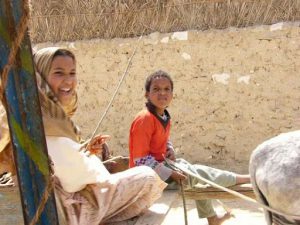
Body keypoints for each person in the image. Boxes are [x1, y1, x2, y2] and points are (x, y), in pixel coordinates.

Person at [1, 47, 167, 225]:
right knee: (146, 177)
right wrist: (93, 163)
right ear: (40, 77)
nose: (68, 81)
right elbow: (77, 180)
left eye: (72, 73)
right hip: (74, 209)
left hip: (70, 193)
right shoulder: (41, 124)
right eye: (59, 73)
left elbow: (64, 159)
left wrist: (86, 151)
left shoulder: (32, 117)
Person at [129, 70, 250, 225]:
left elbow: (163, 139)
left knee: (190, 169)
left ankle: (212, 217)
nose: (162, 93)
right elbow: (140, 160)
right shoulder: (144, 119)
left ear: (172, 94)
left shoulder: (162, 115)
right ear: (147, 94)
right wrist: (170, 173)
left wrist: (169, 148)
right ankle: (242, 178)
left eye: (167, 89)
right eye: (156, 89)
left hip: (161, 168)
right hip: (147, 178)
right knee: (196, 174)